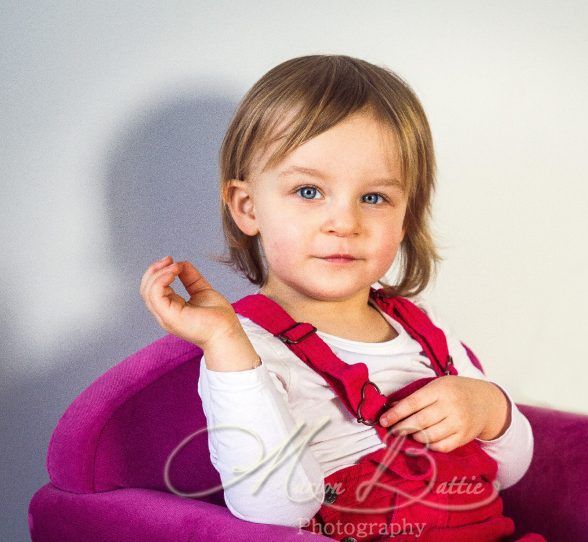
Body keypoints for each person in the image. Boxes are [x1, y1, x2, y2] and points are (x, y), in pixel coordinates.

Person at [140, 55, 543, 542]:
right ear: (248, 207)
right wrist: (224, 343)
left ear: (406, 217)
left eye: (374, 198)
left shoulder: (422, 327)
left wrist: (489, 409)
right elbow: (274, 511)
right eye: (309, 191)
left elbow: (511, 470)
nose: (345, 222)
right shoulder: (245, 349)